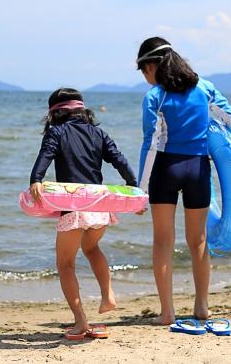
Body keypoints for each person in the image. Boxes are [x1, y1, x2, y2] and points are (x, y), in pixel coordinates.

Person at [135, 37, 231, 325]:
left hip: (166, 170)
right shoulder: (204, 88)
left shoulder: (155, 97)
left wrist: (140, 191)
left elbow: (150, 145)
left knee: (163, 242)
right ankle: (202, 307)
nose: (145, 77)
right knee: (199, 241)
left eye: (144, 70)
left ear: (153, 66)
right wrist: (216, 143)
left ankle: (167, 313)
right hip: (197, 169)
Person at [28, 87, 137, 339]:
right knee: (91, 248)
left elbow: (45, 156)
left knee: (65, 264)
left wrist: (36, 179)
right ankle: (107, 294)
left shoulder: (56, 132)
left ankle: (80, 322)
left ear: (54, 114)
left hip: (75, 208)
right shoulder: (98, 133)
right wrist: (132, 187)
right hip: (99, 208)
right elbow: (119, 159)